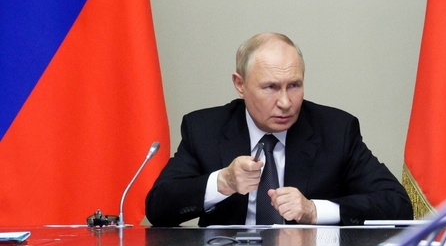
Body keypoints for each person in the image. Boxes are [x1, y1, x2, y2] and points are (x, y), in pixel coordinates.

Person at [145, 32, 412, 226]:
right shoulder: (204, 129)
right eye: (270, 87)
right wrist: (223, 181)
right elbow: (158, 209)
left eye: (294, 86)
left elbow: (397, 205)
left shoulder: (336, 130)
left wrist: (314, 211)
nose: (285, 103)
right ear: (240, 84)